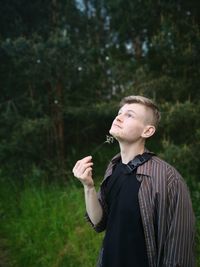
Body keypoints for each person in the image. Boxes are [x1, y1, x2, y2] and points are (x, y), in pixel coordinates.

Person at [72, 95, 195, 267]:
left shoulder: (168, 179)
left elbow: (179, 253)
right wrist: (88, 187)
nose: (119, 117)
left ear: (147, 131)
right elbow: (99, 222)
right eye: (119, 112)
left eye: (129, 115)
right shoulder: (114, 168)